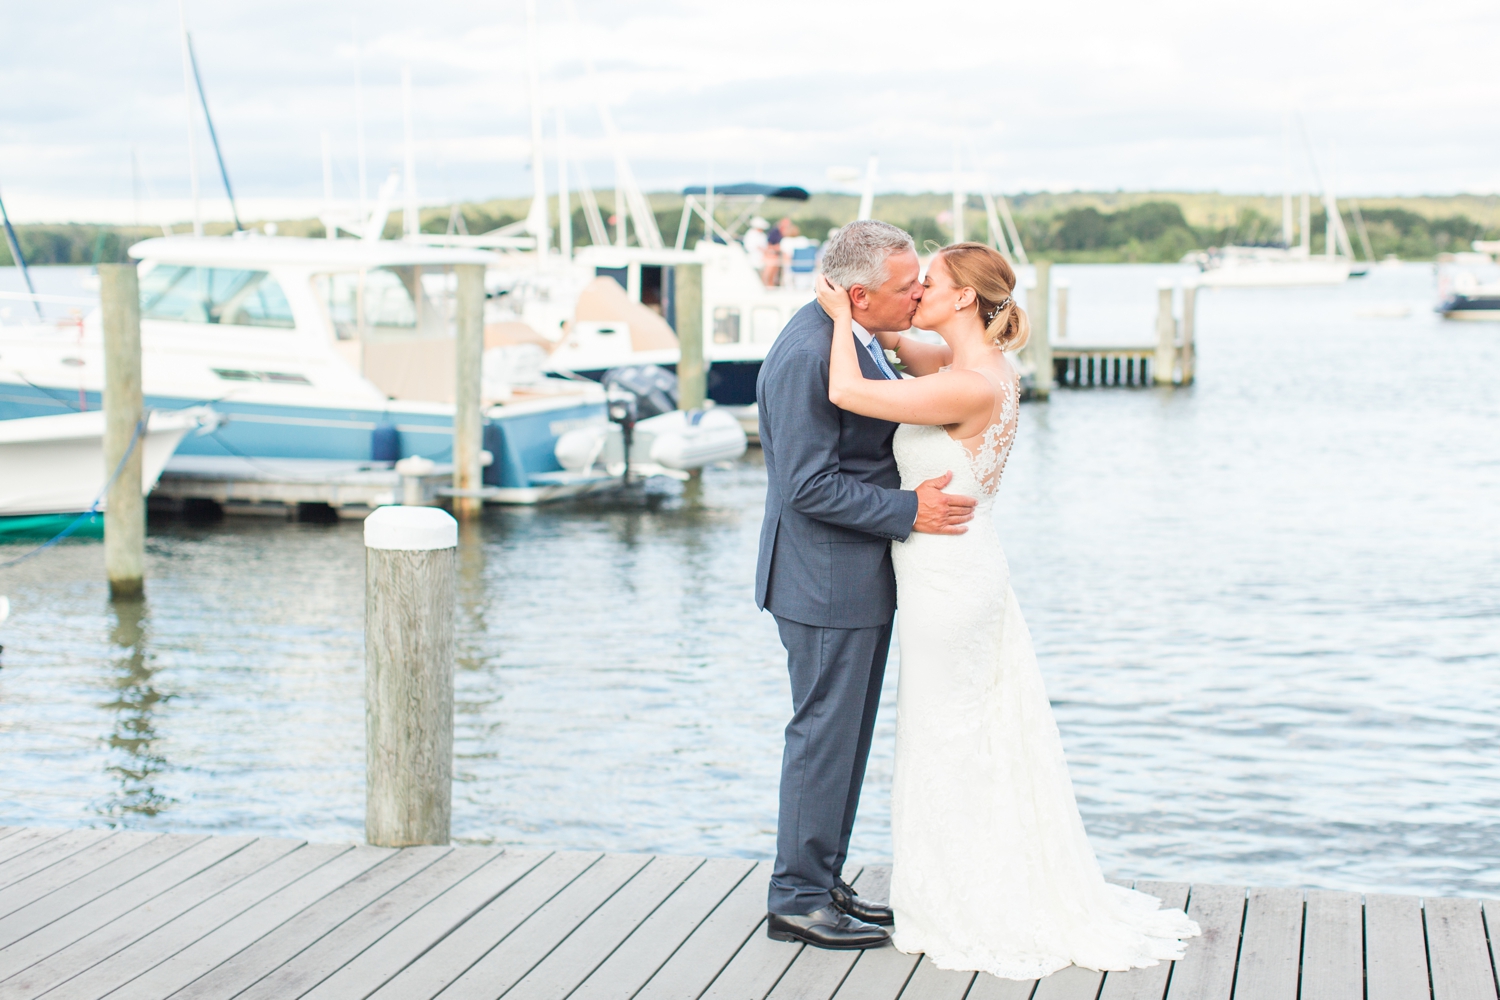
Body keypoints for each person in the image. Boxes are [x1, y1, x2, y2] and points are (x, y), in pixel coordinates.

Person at [814, 241, 1200, 977]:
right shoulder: (968, 367)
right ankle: (960, 883)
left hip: (947, 578)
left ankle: (964, 900)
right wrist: (866, 309)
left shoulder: (973, 385)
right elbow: (898, 343)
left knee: (947, 736)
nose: (918, 288)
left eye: (929, 281)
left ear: (963, 298)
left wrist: (836, 317)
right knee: (965, 732)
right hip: (957, 569)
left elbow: (848, 392)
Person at [755, 220, 978, 950]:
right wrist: (910, 510)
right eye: (906, 285)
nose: (918, 292)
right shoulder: (806, 354)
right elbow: (807, 485)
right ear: (858, 294)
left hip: (852, 576)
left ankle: (822, 880)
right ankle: (796, 897)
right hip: (822, 582)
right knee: (823, 738)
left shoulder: (853, 336)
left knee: (843, 739)